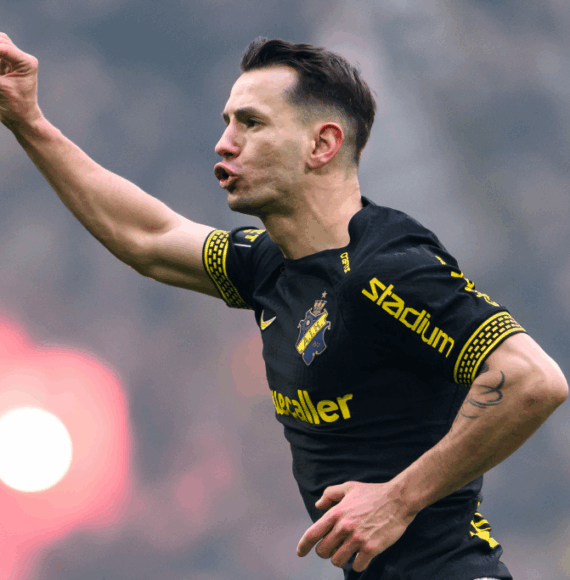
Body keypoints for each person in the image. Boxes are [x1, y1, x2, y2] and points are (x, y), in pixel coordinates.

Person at [0, 32, 567, 580]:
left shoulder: (385, 267)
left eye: (251, 123)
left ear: (322, 145)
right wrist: (28, 120)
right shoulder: (271, 266)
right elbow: (147, 238)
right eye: (227, 122)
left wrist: (397, 500)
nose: (224, 143)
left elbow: (533, 380)